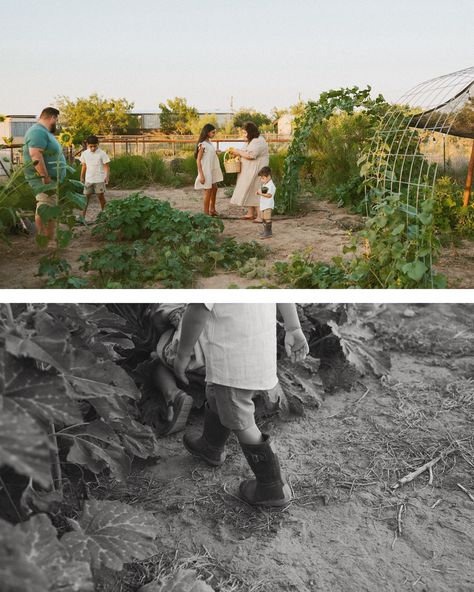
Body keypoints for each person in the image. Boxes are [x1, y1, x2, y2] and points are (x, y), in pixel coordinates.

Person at [174, 303, 309, 508]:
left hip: (232, 363)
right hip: (258, 353)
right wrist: (293, 328)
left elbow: (197, 311)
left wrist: (183, 353)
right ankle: (211, 446)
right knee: (216, 395)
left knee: (240, 420)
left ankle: (272, 487)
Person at [23, 107, 66, 243]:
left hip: (50, 179)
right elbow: (35, 154)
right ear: (52, 117)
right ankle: (44, 240)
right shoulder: (37, 131)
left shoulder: (43, 132)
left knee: (49, 206)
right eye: (56, 120)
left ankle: (47, 239)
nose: (56, 123)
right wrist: (45, 177)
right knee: (45, 206)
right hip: (44, 180)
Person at [229, 122, 269, 222]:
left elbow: (251, 155)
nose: (243, 135)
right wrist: (237, 154)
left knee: (257, 191)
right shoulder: (250, 141)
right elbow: (244, 152)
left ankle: (260, 216)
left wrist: (238, 152)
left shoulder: (258, 141)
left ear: (250, 132)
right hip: (250, 170)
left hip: (258, 171)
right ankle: (250, 213)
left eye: (245, 133)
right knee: (250, 190)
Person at [194, 124, 223, 216]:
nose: (214, 134)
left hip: (212, 169)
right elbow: (198, 160)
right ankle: (206, 214)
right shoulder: (202, 145)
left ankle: (212, 210)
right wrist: (201, 175)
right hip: (206, 170)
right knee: (208, 190)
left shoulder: (209, 143)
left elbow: (209, 156)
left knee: (215, 188)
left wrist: (215, 153)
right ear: (207, 132)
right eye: (213, 132)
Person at [79, 135, 110, 219]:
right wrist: (81, 177)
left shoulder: (102, 153)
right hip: (88, 180)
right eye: (91, 146)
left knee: (100, 196)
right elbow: (84, 166)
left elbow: (106, 166)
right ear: (87, 144)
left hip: (99, 179)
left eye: (95, 146)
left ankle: (105, 214)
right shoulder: (85, 154)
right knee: (85, 198)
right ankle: (82, 217)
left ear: (98, 144)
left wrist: (107, 176)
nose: (93, 148)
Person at [256, 166, 276, 239]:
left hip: (268, 205)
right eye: (261, 178)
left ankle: (268, 232)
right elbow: (263, 190)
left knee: (267, 218)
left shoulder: (271, 185)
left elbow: (269, 195)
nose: (261, 180)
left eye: (263, 178)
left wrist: (260, 194)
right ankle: (265, 231)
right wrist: (259, 191)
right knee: (264, 218)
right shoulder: (265, 184)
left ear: (268, 177)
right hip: (264, 205)